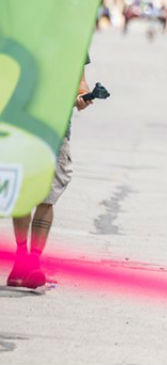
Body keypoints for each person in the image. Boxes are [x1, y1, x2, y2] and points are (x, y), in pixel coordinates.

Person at [7, 55, 93, 289]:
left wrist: (83, 98)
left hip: (55, 129)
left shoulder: (76, 38)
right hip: (22, 125)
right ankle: (22, 258)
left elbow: (80, 86)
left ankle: (31, 261)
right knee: (24, 193)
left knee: (48, 196)